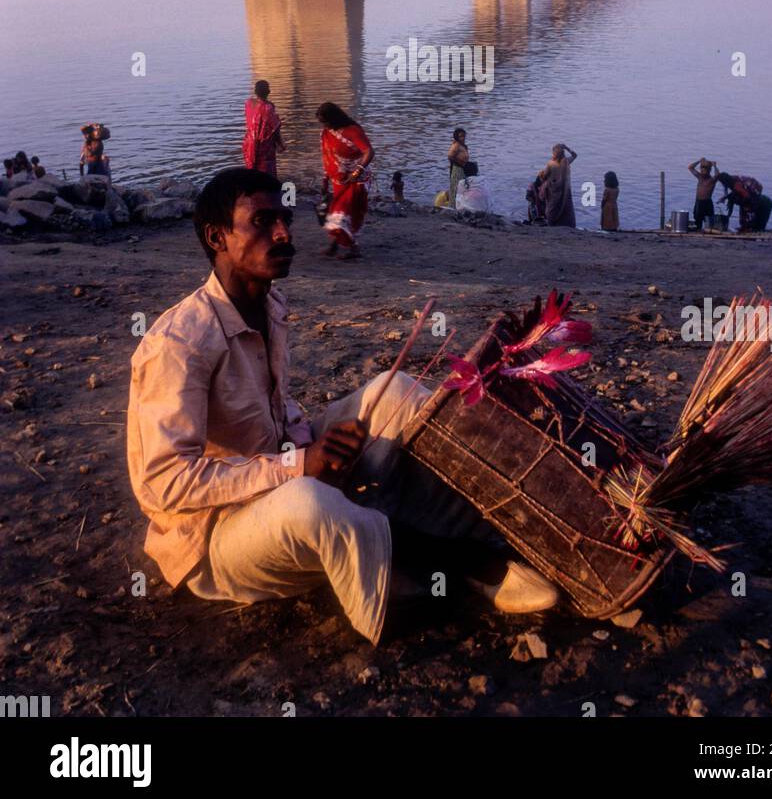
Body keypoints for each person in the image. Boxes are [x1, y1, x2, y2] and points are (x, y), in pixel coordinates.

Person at [126, 167, 558, 646]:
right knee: (308, 503)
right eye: (262, 221)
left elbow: (275, 408)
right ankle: (464, 564)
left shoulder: (270, 306)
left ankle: (490, 524)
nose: (284, 232)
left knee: (393, 393)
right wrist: (297, 468)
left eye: (284, 218)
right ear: (217, 237)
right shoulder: (178, 343)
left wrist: (312, 446)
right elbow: (161, 484)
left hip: (277, 471)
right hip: (213, 536)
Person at [318, 102, 374, 259]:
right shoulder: (327, 132)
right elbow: (327, 157)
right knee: (337, 211)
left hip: (357, 180)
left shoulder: (353, 131)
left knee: (348, 213)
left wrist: (357, 172)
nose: (324, 125)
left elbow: (369, 152)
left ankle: (354, 248)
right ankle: (335, 245)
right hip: (339, 179)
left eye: (325, 121)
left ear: (334, 119)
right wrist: (325, 179)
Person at [242, 80, 284, 177]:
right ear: (268, 92)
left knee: (251, 171)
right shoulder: (268, 107)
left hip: (249, 143)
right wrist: (281, 144)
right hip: (264, 146)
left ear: (255, 91)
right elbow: (275, 127)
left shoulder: (248, 103)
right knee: (266, 174)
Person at [536, 144, 578, 227]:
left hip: (554, 191)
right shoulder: (566, 162)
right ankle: (567, 225)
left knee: (552, 208)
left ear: (555, 153)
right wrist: (567, 147)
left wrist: (540, 174)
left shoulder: (551, 164)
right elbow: (575, 155)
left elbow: (544, 177)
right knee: (565, 208)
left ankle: (552, 223)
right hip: (565, 190)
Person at [688, 158, 718, 230]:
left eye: (704, 170)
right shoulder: (700, 177)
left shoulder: (711, 180)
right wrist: (699, 161)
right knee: (698, 220)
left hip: (707, 202)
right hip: (698, 202)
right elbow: (690, 167)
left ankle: (709, 232)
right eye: (701, 170)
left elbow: (717, 175)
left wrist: (714, 166)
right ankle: (698, 231)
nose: (701, 171)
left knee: (709, 221)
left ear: (708, 171)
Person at [447, 127, 470, 207]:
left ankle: (460, 205)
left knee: (462, 188)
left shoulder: (463, 145)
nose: (463, 138)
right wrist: (458, 163)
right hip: (457, 169)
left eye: (464, 136)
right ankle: (453, 206)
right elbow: (450, 156)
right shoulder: (456, 145)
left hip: (462, 169)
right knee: (456, 187)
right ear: (456, 137)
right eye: (460, 136)